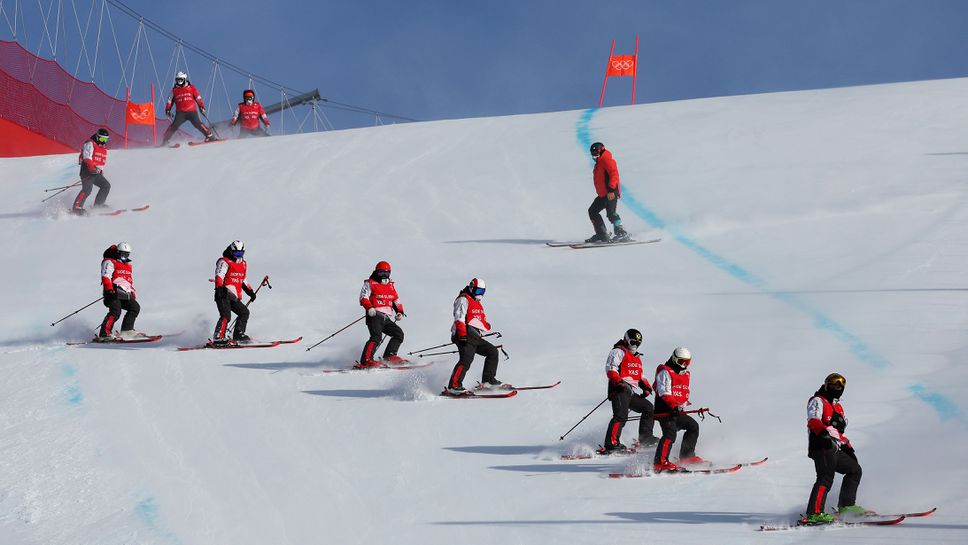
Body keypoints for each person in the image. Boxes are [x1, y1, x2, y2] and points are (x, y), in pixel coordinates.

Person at [801, 372, 865, 525]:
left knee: (854, 470)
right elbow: (813, 419)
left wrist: (848, 447)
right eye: (834, 384)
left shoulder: (837, 406)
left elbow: (836, 431)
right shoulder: (818, 400)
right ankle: (814, 513)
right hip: (821, 444)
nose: (837, 388)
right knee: (825, 477)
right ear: (826, 384)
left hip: (834, 446)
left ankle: (846, 506)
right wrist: (821, 433)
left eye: (840, 385)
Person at [445, 278, 504, 395]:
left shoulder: (477, 303)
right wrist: (462, 334)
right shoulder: (463, 299)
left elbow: (479, 320)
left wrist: (485, 326)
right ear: (472, 288)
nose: (480, 295)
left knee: (492, 352)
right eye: (478, 292)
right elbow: (459, 317)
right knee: (466, 359)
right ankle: (454, 386)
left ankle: (488, 381)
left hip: (474, 336)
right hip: (464, 334)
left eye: (482, 292)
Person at [602, 328, 657, 453]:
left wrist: (646, 388)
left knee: (648, 408)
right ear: (626, 340)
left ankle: (646, 439)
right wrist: (618, 381)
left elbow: (640, 376)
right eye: (633, 342)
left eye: (638, 344)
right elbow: (611, 368)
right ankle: (611, 444)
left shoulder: (636, 357)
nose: (635, 345)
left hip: (630, 391)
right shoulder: (618, 351)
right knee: (621, 416)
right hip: (620, 389)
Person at [652, 347, 703, 472]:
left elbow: (682, 392)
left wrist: (682, 406)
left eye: (687, 362)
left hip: (676, 411)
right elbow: (664, 393)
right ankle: (660, 463)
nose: (684, 365)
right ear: (674, 359)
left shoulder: (685, 374)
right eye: (681, 362)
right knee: (670, 433)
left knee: (693, 426)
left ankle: (687, 456)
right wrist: (673, 406)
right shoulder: (665, 372)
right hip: (664, 411)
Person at [357, 260, 406, 368]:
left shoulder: (390, 285)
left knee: (398, 334)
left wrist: (399, 312)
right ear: (376, 272)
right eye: (381, 273)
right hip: (374, 315)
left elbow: (396, 301)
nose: (384, 275)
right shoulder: (370, 283)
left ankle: (390, 356)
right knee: (376, 337)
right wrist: (369, 308)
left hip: (385, 317)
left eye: (386, 273)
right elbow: (363, 297)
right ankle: (366, 360)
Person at [212, 240, 257, 345]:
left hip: (234, 296)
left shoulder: (243, 264)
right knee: (226, 315)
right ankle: (218, 337)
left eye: (241, 254)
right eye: (236, 253)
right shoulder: (224, 262)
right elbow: (219, 275)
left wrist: (250, 292)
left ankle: (238, 334)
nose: (238, 256)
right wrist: (219, 288)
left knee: (244, 312)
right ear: (231, 251)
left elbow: (243, 280)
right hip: (223, 293)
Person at [585, 142, 629, 243]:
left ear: (601, 151)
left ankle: (622, 234)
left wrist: (611, 189)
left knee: (611, 213)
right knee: (592, 211)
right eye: (592, 154)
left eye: (595, 154)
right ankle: (602, 234)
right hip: (603, 194)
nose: (594, 156)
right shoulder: (599, 162)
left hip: (611, 192)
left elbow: (614, 174)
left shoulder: (607, 160)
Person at [96, 242, 141, 341]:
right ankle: (104, 334)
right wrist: (109, 288)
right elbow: (106, 275)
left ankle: (127, 330)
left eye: (127, 254)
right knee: (116, 311)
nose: (124, 257)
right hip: (113, 292)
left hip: (125, 293)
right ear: (117, 252)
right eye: (122, 254)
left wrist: (132, 292)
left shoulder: (128, 265)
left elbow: (128, 281)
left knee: (135, 307)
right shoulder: (110, 262)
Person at [161, 71, 216, 145]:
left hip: (192, 111)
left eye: (180, 80)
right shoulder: (174, 90)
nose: (179, 82)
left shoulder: (191, 88)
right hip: (180, 113)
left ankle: (209, 136)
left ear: (184, 79)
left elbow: (198, 98)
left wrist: (201, 106)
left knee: (197, 124)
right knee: (174, 125)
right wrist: (167, 109)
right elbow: (169, 100)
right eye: (177, 80)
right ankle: (165, 140)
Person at [72, 128, 111, 214]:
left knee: (106, 186)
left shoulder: (103, 149)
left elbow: (100, 163)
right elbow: (87, 157)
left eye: (105, 139)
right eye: (101, 139)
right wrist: (92, 168)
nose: (103, 141)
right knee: (87, 189)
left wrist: (100, 172)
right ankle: (76, 208)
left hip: (96, 172)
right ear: (97, 137)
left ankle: (98, 205)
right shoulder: (90, 143)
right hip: (87, 170)